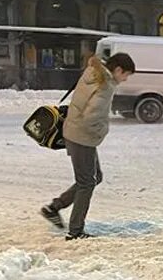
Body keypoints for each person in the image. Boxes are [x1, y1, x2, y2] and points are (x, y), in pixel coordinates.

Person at [41, 52, 135, 239]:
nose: (125, 80)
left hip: (75, 131)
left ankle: (54, 207)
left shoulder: (93, 73)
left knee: (94, 177)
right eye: (126, 75)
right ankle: (75, 231)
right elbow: (92, 117)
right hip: (82, 136)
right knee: (87, 182)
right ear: (117, 70)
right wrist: (102, 131)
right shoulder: (105, 85)